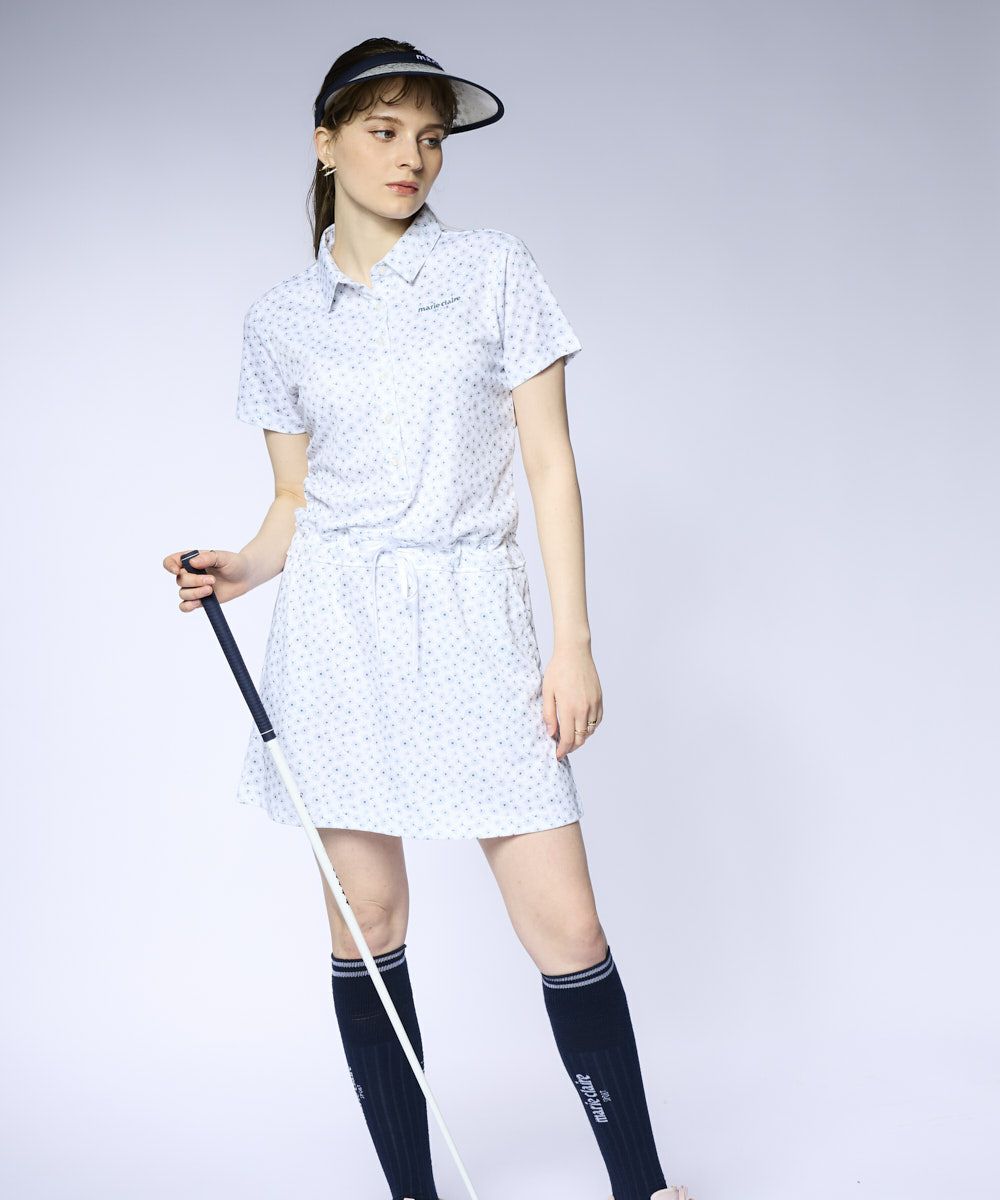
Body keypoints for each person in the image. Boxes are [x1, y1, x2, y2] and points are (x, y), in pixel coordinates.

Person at [163, 37, 693, 1200]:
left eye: (432, 138)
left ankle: (645, 1188)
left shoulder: (493, 268)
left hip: (472, 616)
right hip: (336, 636)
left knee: (567, 929)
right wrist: (238, 568)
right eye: (385, 131)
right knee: (366, 920)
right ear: (326, 143)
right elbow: (295, 504)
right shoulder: (280, 319)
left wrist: (571, 644)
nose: (413, 157)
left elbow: (549, 466)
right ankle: (411, 1192)